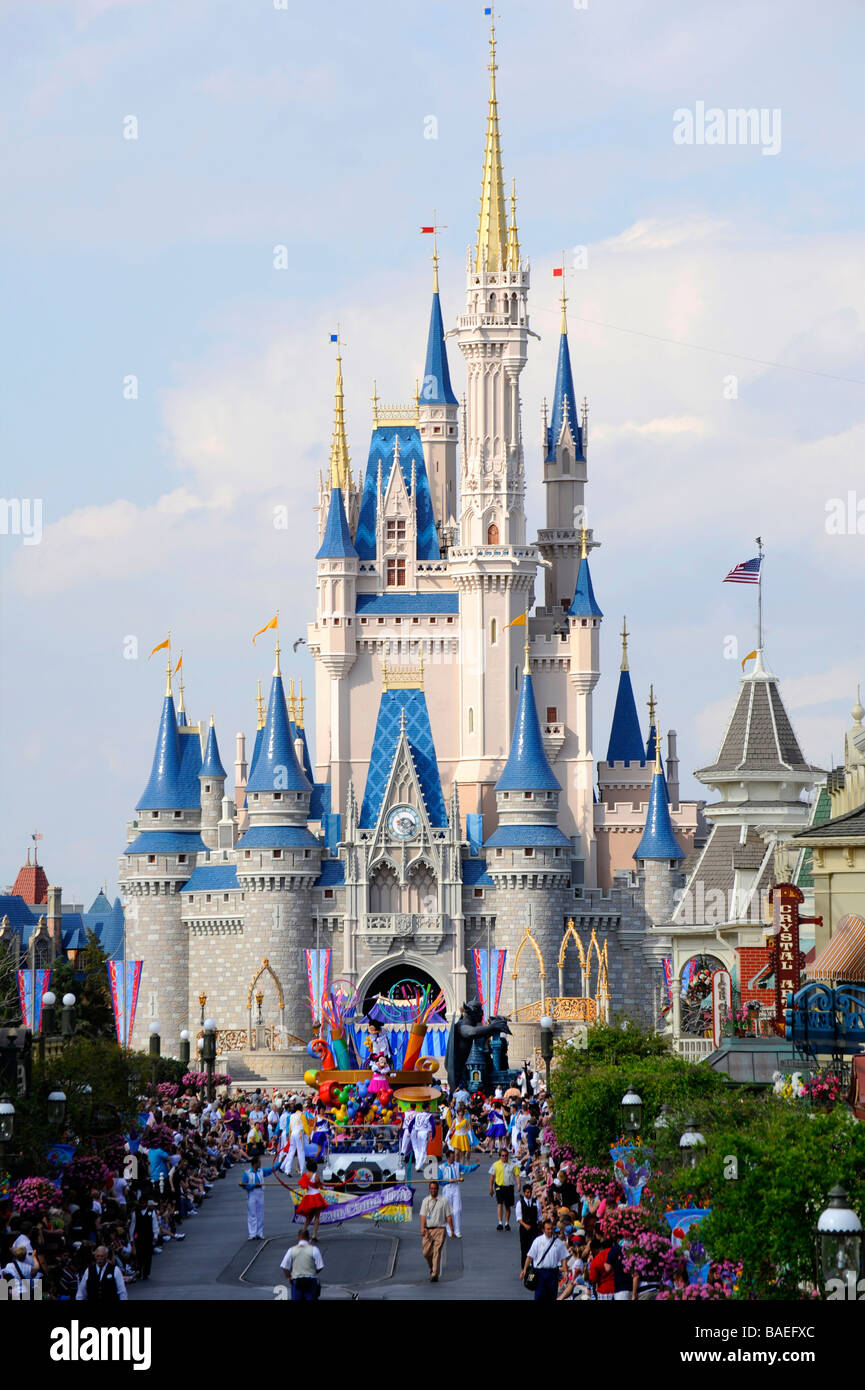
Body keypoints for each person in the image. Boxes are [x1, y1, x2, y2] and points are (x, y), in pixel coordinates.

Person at [521, 1217, 569, 1302]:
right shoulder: (538, 1241)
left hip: (553, 1273)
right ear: (543, 1230)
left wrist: (565, 1271)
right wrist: (524, 1269)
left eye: (551, 1229)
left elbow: (563, 1257)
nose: (550, 1231)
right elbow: (530, 1256)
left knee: (551, 1296)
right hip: (540, 1273)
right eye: (548, 1229)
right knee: (540, 1296)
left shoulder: (558, 1242)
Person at [419, 1179, 454, 1282]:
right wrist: (422, 1227)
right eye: (431, 1189)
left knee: (436, 1252)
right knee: (426, 1253)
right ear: (429, 1190)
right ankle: (432, 1268)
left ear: (438, 1189)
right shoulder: (425, 1201)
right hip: (428, 1230)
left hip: (440, 1229)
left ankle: (435, 1274)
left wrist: (451, 1230)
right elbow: (423, 1215)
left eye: (435, 1189)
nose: (433, 1190)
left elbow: (448, 1216)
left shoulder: (444, 1201)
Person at [280, 1228, 324, 1300]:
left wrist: (289, 1277)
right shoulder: (314, 1249)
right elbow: (320, 1266)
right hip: (310, 1281)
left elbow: (284, 1266)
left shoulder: (291, 1250)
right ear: (308, 1237)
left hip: (297, 1281)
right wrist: (313, 1271)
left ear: (298, 1237)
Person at [240, 1154, 271, 1240]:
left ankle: (259, 1233)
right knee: (252, 1214)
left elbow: (271, 1169)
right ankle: (252, 1233)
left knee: (260, 1213)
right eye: (259, 1162)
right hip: (252, 1193)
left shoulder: (261, 1171)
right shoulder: (247, 1173)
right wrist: (253, 1185)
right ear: (255, 1163)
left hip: (260, 1193)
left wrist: (280, 1162)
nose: (260, 1164)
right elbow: (244, 1186)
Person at [296, 1159, 328, 1241]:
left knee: (309, 1217)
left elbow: (303, 1185)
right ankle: (314, 1235)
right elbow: (319, 1186)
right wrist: (323, 1188)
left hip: (308, 1197)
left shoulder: (305, 1175)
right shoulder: (315, 1176)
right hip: (316, 1197)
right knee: (317, 1217)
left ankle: (303, 1231)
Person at [488, 1147, 519, 1231]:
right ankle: (500, 1222)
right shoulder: (495, 1165)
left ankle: (507, 1223)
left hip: (509, 1187)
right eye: (502, 1156)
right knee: (500, 1203)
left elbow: (517, 1175)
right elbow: (492, 1177)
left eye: (506, 1156)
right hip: (499, 1186)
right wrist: (491, 1188)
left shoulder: (513, 1165)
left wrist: (518, 1184)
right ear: (500, 1156)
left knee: (507, 1206)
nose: (504, 1157)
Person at [129, 1200, 158, 1280]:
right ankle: (139, 1271)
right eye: (141, 1203)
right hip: (139, 1236)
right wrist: (131, 1238)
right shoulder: (135, 1213)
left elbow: (154, 1224)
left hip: (148, 1236)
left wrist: (155, 1236)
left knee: (148, 1255)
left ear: (146, 1204)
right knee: (139, 1255)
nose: (142, 1204)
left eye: (144, 1203)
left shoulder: (151, 1212)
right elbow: (132, 1226)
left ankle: (146, 1272)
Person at [515, 1183, 540, 1271]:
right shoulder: (520, 1204)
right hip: (524, 1229)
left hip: (534, 1228)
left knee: (534, 1247)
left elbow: (539, 1216)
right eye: (526, 1192)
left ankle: (534, 1266)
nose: (528, 1194)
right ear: (524, 1193)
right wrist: (525, 1225)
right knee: (524, 1248)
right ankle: (524, 1267)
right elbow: (518, 1218)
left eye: (529, 1192)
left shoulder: (536, 1202)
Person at [282, 1103, 307, 1178]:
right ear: (300, 1108)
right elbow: (305, 1125)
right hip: (299, 1133)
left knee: (291, 1151)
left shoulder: (291, 1116)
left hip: (293, 1133)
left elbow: (289, 1127)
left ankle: (287, 1170)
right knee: (301, 1152)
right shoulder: (302, 1115)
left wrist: (289, 1135)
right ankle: (302, 1170)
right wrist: (308, 1135)